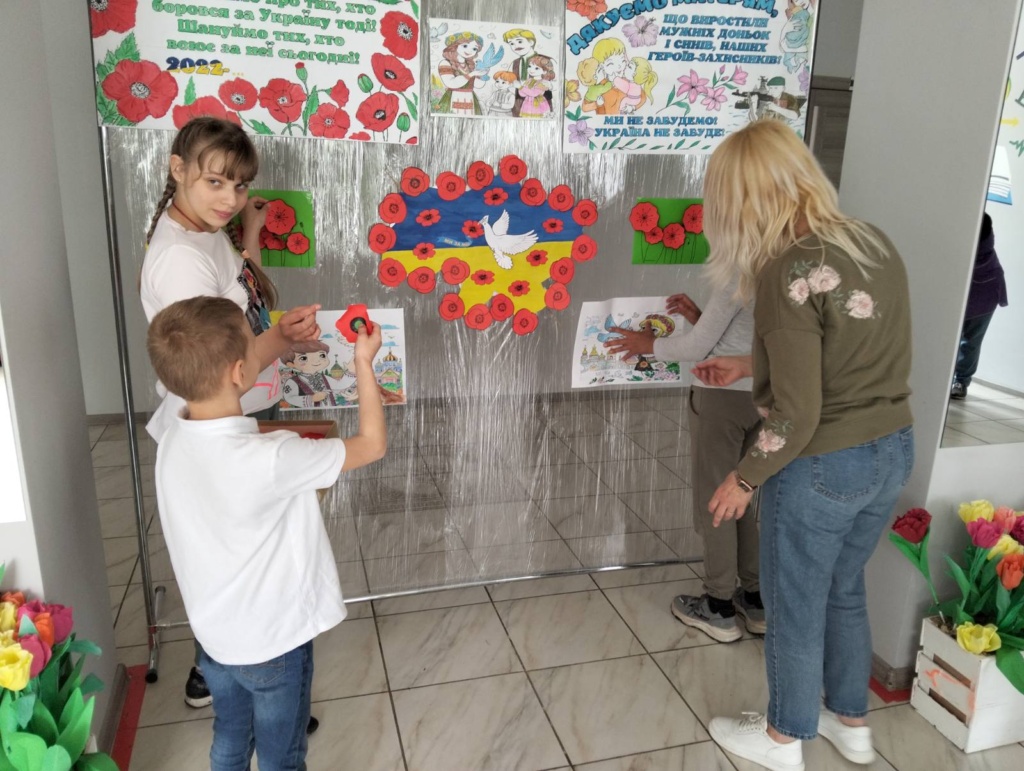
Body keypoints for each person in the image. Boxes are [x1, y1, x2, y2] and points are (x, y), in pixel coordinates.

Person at [694, 119, 914, 771]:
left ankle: (783, 737)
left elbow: (797, 412)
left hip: (822, 464)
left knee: (794, 604)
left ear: (744, 200)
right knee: (844, 589)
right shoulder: (869, 240)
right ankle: (851, 724)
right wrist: (748, 365)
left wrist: (743, 477)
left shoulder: (788, 268)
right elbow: (842, 354)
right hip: (889, 449)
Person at [147, 296, 386, 770]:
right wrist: (363, 361)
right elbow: (372, 445)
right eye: (253, 343)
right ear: (240, 373)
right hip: (272, 641)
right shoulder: (272, 456)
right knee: (282, 756)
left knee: (230, 737)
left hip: (214, 638)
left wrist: (277, 337)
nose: (260, 346)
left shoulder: (171, 436)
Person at [140, 116, 322, 721]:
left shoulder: (203, 231)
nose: (230, 198)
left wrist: (251, 233)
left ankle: (228, 670)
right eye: (216, 182)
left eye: (240, 185)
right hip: (223, 418)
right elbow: (218, 368)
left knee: (238, 545)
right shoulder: (179, 261)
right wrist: (283, 341)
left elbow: (238, 292)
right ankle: (227, 673)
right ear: (177, 169)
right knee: (238, 554)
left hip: (239, 408)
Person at [603, 287, 764, 644]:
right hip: (762, 395)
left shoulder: (738, 271)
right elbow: (744, 335)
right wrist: (700, 319)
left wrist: (647, 344)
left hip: (722, 395)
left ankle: (718, 605)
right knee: (742, 494)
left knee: (717, 499)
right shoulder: (780, 268)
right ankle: (755, 599)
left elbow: (695, 348)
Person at [951, 211, 1007, 399]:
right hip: (974, 289)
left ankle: (960, 381)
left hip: (985, 291)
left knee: (970, 341)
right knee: (959, 340)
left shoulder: (977, 232)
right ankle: (953, 381)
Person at [436, 32, 486, 116]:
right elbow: (451, 83)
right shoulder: (445, 63)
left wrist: (483, 76)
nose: (469, 51)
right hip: (453, 98)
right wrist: (471, 74)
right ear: (454, 46)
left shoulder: (470, 65)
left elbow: (478, 85)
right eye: (465, 46)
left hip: (470, 99)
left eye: (474, 49)